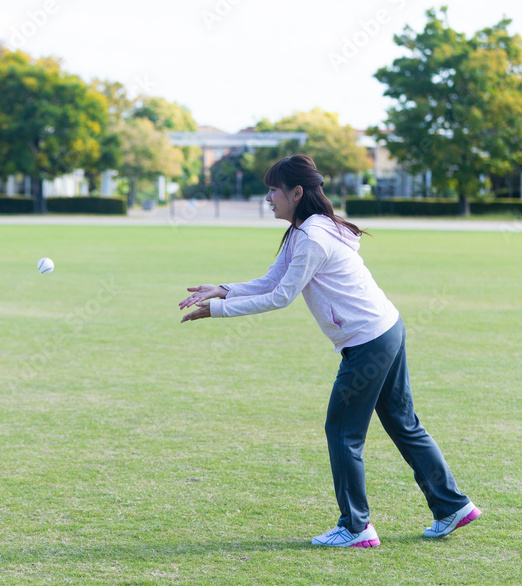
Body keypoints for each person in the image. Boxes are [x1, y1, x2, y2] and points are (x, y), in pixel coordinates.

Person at [178, 155, 480, 548]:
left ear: (296, 193)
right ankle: (452, 506)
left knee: (342, 432)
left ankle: (356, 527)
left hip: (369, 340)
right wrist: (225, 289)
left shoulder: (313, 236)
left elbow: (282, 295)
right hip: (386, 328)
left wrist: (217, 310)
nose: (269, 197)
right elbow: (275, 278)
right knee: (403, 424)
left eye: (274, 190)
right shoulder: (306, 229)